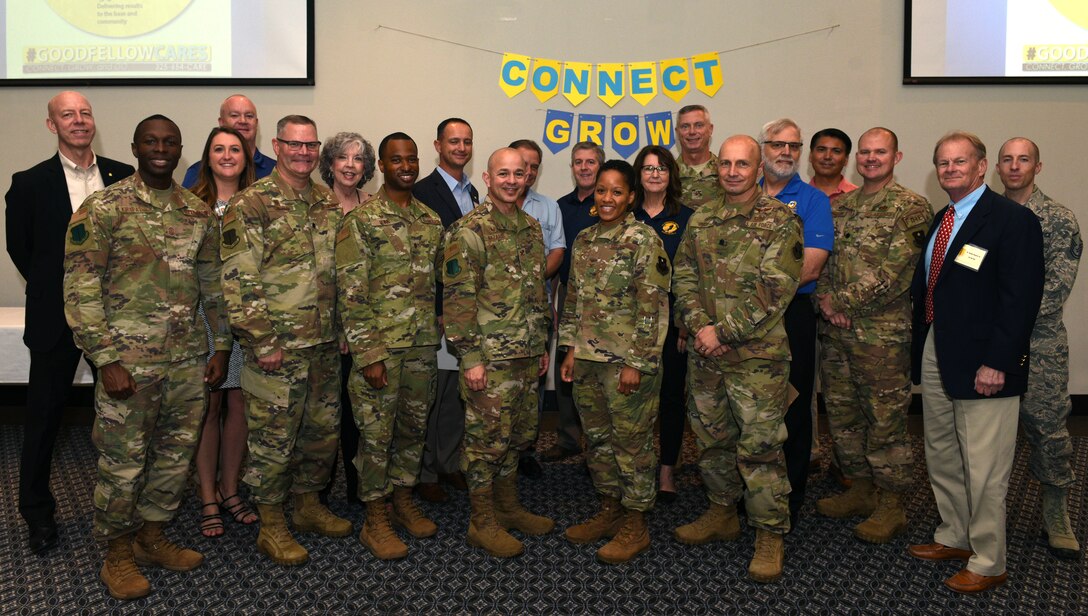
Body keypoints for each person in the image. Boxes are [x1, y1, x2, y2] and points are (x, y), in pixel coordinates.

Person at [63, 115, 229, 600]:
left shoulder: (195, 213)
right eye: (151, 142)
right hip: (128, 365)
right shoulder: (103, 208)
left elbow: (214, 286)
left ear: (180, 149)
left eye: (169, 142)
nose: (161, 149)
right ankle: (117, 552)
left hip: (186, 362)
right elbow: (80, 287)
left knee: (175, 457)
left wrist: (220, 344)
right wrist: (105, 358)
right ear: (135, 147)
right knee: (123, 462)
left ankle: (151, 537)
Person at [908, 131, 1043, 594]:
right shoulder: (943, 218)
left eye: (959, 162)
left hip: (986, 362)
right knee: (942, 451)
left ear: (982, 167)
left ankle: (988, 561)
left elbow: (1020, 300)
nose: (950, 170)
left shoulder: (1011, 221)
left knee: (985, 467)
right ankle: (956, 534)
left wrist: (998, 362)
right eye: (942, 163)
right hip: (939, 350)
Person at [4, 91, 133, 555]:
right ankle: (37, 514)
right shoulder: (29, 183)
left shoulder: (124, 176)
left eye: (85, 113)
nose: (78, 121)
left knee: (126, 420)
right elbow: (22, 249)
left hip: (118, 321)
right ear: (51, 125)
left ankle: (124, 509)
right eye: (67, 115)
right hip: (55, 319)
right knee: (43, 421)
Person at [220, 115, 350, 566]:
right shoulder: (252, 203)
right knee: (273, 440)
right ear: (277, 146)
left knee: (319, 434)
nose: (303, 153)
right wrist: (262, 342)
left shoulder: (326, 202)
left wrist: (345, 331)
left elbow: (338, 273)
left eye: (311, 145)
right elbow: (239, 278)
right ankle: (272, 524)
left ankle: (308, 505)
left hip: (324, 345)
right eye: (294, 145)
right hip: (277, 347)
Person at [672, 135, 803, 583]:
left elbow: (777, 289)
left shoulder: (780, 221)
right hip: (707, 356)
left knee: (760, 446)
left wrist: (722, 332)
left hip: (757, 359)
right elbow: (683, 274)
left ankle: (769, 533)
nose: (731, 171)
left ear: (758, 167)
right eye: (725, 164)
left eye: (741, 164)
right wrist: (697, 324)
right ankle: (721, 512)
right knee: (711, 440)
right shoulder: (703, 217)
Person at [813, 128, 932, 544]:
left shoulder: (911, 207)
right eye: (864, 152)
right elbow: (822, 259)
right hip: (837, 333)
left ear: (896, 156)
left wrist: (841, 303)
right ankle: (860, 488)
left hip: (881, 337)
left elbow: (897, 273)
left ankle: (891, 503)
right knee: (843, 417)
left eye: (879, 152)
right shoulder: (840, 206)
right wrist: (826, 300)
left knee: (885, 421)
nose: (870, 158)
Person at [336, 132, 443, 560]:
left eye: (412, 159)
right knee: (376, 437)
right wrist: (369, 355)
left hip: (421, 349)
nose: (406, 166)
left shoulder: (431, 220)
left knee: (413, 431)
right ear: (381, 165)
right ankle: (375, 516)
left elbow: (438, 285)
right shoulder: (361, 221)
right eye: (396, 159)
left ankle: (402, 499)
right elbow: (352, 294)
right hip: (379, 351)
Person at [442, 147, 552, 558]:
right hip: (488, 361)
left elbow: (536, 293)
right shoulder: (469, 230)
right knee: (485, 444)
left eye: (518, 174)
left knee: (516, 437)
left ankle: (508, 508)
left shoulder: (530, 227)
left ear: (528, 178)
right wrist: (469, 359)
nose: (511, 180)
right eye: (502, 173)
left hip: (524, 356)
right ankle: (482, 522)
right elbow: (457, 302)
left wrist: (540, 346)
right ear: (487, 179)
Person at [559, 159, 669, 564]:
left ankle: (636, 523)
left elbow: (653, 309)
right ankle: (611, 509)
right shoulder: (585, 240)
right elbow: (574, 299)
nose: (607, 198)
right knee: (599, 442)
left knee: (632, 445)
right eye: (601, 191)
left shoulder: (643, 240)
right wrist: (570, 349)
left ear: (631, 197)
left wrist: (637, 364)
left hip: (626, 364)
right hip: (588, 360)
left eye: (616, 192)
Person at [996, 137, 1082, 559]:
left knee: (1047, 427)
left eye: (1023, 159)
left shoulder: (1058, 219)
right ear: (995, 168)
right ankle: (985, 511)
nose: (1015, 166)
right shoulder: (985, 216)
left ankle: (1056, 510)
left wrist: (1002, 321)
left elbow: (1055, 288)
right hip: (990, 343)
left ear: (1038, 167)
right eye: (1007, 160)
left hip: (1039, 343)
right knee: (986, 433)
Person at [758, 118, 834, 528]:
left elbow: (810, 265)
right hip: (742, 320)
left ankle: (790, 494)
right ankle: (746, 490)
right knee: (744, 405)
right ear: (762, 148)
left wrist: (753, 299)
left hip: (790, 315)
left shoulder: (812, 200)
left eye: (793, 145)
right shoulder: (740, 194)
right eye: (777, 144)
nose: (786, 152)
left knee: (793, 405)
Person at [189, 127, 258, 537]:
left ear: (246, 156)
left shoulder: (260, 202)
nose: (228, 155)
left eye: (235, 149)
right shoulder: (190, 204)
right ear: (207, 156)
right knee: (208, 409)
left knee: (242, 406)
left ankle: (231, 489)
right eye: (219, 149)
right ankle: (207, 497)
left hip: (249, 318)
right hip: (205, 320)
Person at [413, 117, 478, 502]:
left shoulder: (474, 192)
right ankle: (425, 474)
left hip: (465, 314)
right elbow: (426, 258)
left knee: (456, 396)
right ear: (438, 145)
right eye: (453, 141)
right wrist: (440, 307)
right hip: (437, 314)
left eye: (467, 141)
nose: (461, 147)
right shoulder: (423, 191)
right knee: (431, 397)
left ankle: (449, 463)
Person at [317, 131, 377, 508]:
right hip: (322, 328)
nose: (351, 165)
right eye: (343, 157)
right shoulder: (315, 206)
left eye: (358, 159)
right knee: (324, 417)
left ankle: (360, 492)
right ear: (330, 165)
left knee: (361, 416)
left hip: (366, 328)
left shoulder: (373, 208)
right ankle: (317, 496)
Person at [631, 145, 693, 503]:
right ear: (639, 175)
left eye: (662, 168)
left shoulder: (688, 218)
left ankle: (667, 469)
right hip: (631, 327)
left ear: (672, 175)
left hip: (672, 327)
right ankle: (637, 466)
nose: (655, 174)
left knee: (671, 397)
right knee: (635, 399)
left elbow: (693, 275)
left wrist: (685, 322)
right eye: (648, 168)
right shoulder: (626, 215)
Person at [510, 138, 566, 479]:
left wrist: (530, 283)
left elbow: (557, 250)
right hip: (497, 316)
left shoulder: (548, 207)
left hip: (537, 309)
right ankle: (500, 452)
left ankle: (526, 449)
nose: (527, 172)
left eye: (533, 167)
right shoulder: (485, 207)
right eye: (522, 165)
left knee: (533, 381)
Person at [547, 141, 606, 462]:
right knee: (565, 367)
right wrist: (553, 300)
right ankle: (568, 438)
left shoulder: (611, 203)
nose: (584, 167)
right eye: (578, 162)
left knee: (597, 371)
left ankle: (597, 445)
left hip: (605, 300)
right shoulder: (561, 206)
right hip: (569, 294)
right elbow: (557, 253)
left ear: (601, 166)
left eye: (590, 162)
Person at [182, 94, 275, 186]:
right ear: (221, 122)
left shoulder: (276, 171)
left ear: (256, 123)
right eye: (234, 115)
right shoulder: (196, 173)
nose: (243, 121)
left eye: (249, 116)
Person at [675, 105, 722, 209]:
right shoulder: (668, 174)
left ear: (710, 129)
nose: (692, 131)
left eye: (699, 125)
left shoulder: (726, 172)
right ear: (677, 132)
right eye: (685, 126)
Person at [808, 128, 858, 201]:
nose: (827, 156)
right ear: (810, 156)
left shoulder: (859, 197)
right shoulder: (797, 196)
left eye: (836, 151)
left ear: (846, 159)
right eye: (821, 150)